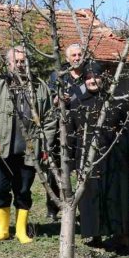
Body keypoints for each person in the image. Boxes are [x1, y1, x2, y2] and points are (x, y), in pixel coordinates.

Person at [0, 46, 56, 244]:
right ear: (9, 63)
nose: (21, 65)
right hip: (1, 149)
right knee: (0, 188)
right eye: (17, 61)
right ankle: (3, 230)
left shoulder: (40, 87)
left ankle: (21, 231)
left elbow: (49, 120)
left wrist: (45, 146)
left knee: (23, 190)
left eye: (24, 61)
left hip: (29, 151)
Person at [69, 62, 129, 247]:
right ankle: (95, 233)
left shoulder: (117, 101)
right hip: (88, 158)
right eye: (87, 78)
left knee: (117, 195)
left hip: (116, 157)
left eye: (96, 77)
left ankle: (121, 233)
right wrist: (71, 161)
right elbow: (71, 134)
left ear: (104, 78)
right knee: (92, 197)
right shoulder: (78, 103)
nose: (92, 81)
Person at [45, 43, 86, 221]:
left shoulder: (89, 75)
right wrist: (58, 100)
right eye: (73, 55)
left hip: (83, 130)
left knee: (82, 171)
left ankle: (82, 208)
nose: (77, 58)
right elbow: (48, 102)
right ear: (67, 58)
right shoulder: (58, 76)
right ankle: (53, 208)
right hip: (62, 130)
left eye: (79, 55)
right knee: (58, 171)